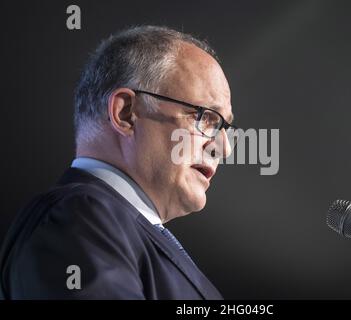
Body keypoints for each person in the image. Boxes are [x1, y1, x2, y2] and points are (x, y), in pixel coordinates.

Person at [0, 25, 236, 299]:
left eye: (224, 128)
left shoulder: (118, 226)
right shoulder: (79, 216)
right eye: (206, 117)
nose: (224, 148)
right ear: (126, 113)